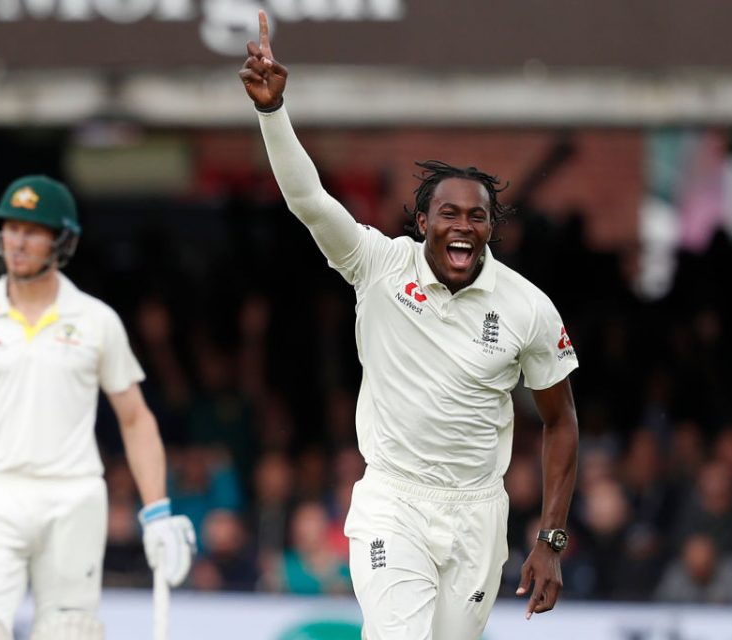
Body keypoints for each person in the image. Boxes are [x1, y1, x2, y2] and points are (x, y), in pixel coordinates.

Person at [239, 12, 580, 639]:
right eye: (446, 213)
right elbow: (308, 201)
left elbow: (560, 422)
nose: (461, 226)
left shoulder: (528, 307)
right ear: (422, 223)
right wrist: (273, 113)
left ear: (490, 227)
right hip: (393, 501)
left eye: (476, 217)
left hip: (479, 512)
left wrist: (551, 539)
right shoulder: (377, 264)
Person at [0, 175, 195, 640]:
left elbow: (135, 418)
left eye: (32, 230)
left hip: (74, 497)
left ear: (61, 240)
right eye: (11, 227)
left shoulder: (96, 321)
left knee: (69, 630)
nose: (18, 240)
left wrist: (157, 511)